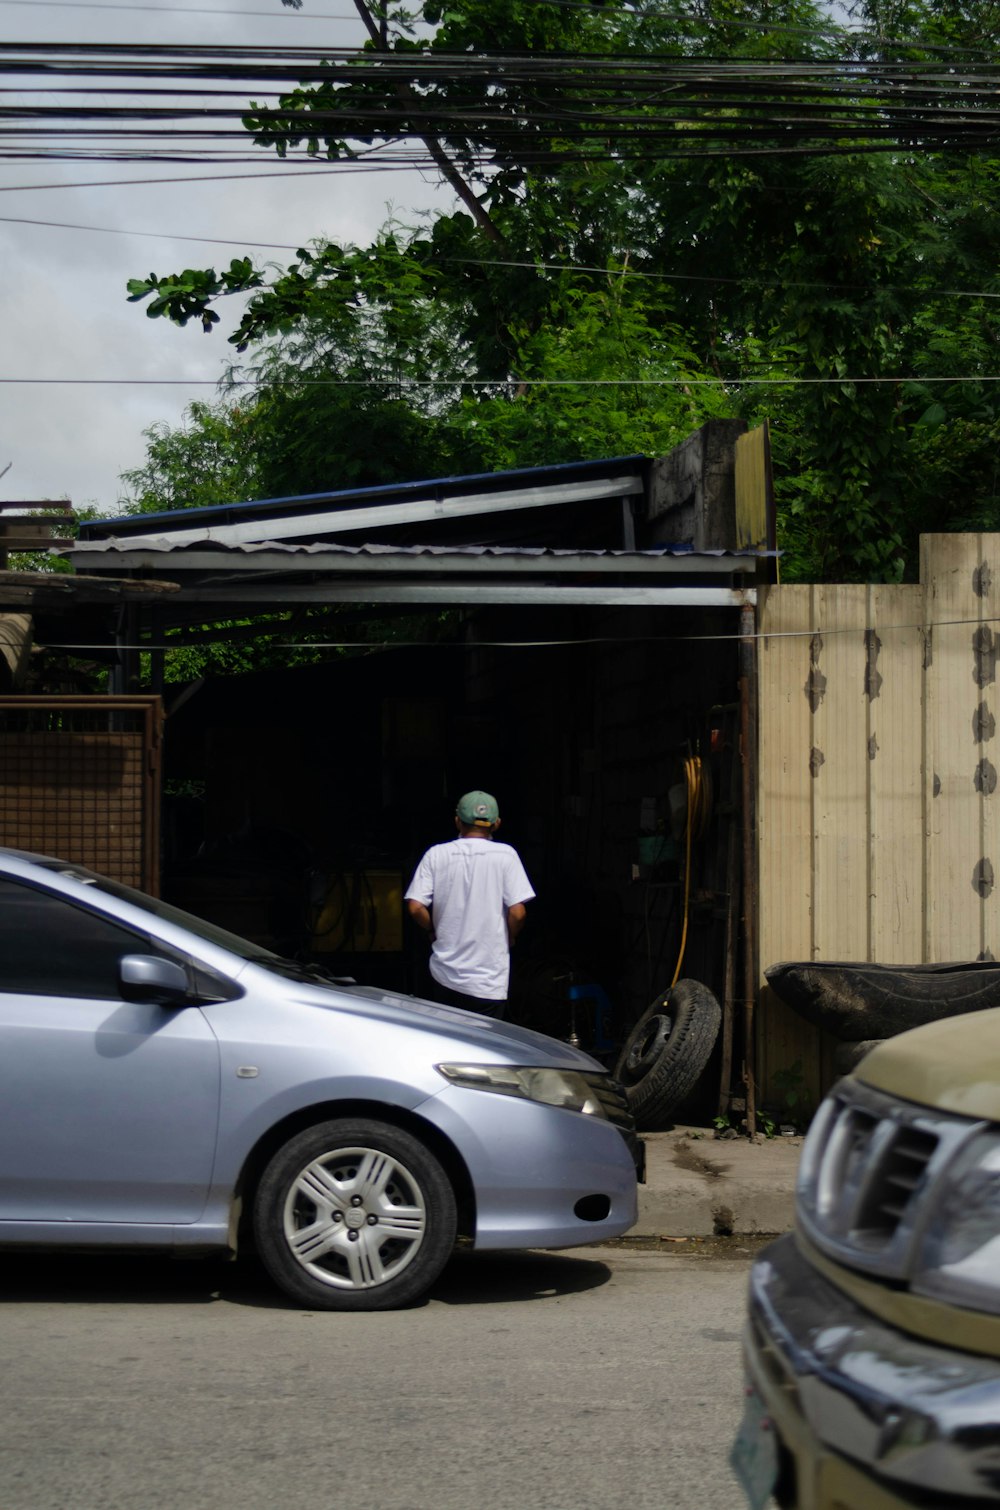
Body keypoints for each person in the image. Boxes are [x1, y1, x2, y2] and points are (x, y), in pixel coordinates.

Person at [404, 790, 534, 1018]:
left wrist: (433, 929)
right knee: (486, 1047)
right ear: (497, 824)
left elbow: (415, 907)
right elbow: (518, 913)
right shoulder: (506, 856)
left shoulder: (436, 854)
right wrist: (510, 935)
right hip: (488, 980)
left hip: (444, 976)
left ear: (457, 821)